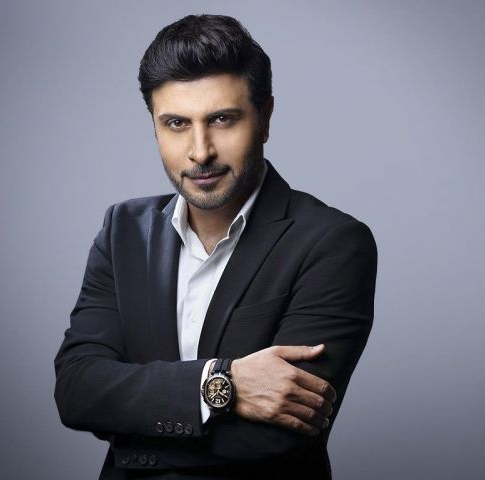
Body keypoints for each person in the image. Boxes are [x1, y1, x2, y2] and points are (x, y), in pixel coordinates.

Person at [54, 13, 377, 480]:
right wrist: (221, 384)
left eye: (222, 119)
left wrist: (132, 439)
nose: (200, 151)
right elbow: (77, 391)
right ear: (154, 126)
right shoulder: (123, 229)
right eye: (175, 123)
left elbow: (280, 433)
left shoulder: (332, 243)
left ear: (265, 117)